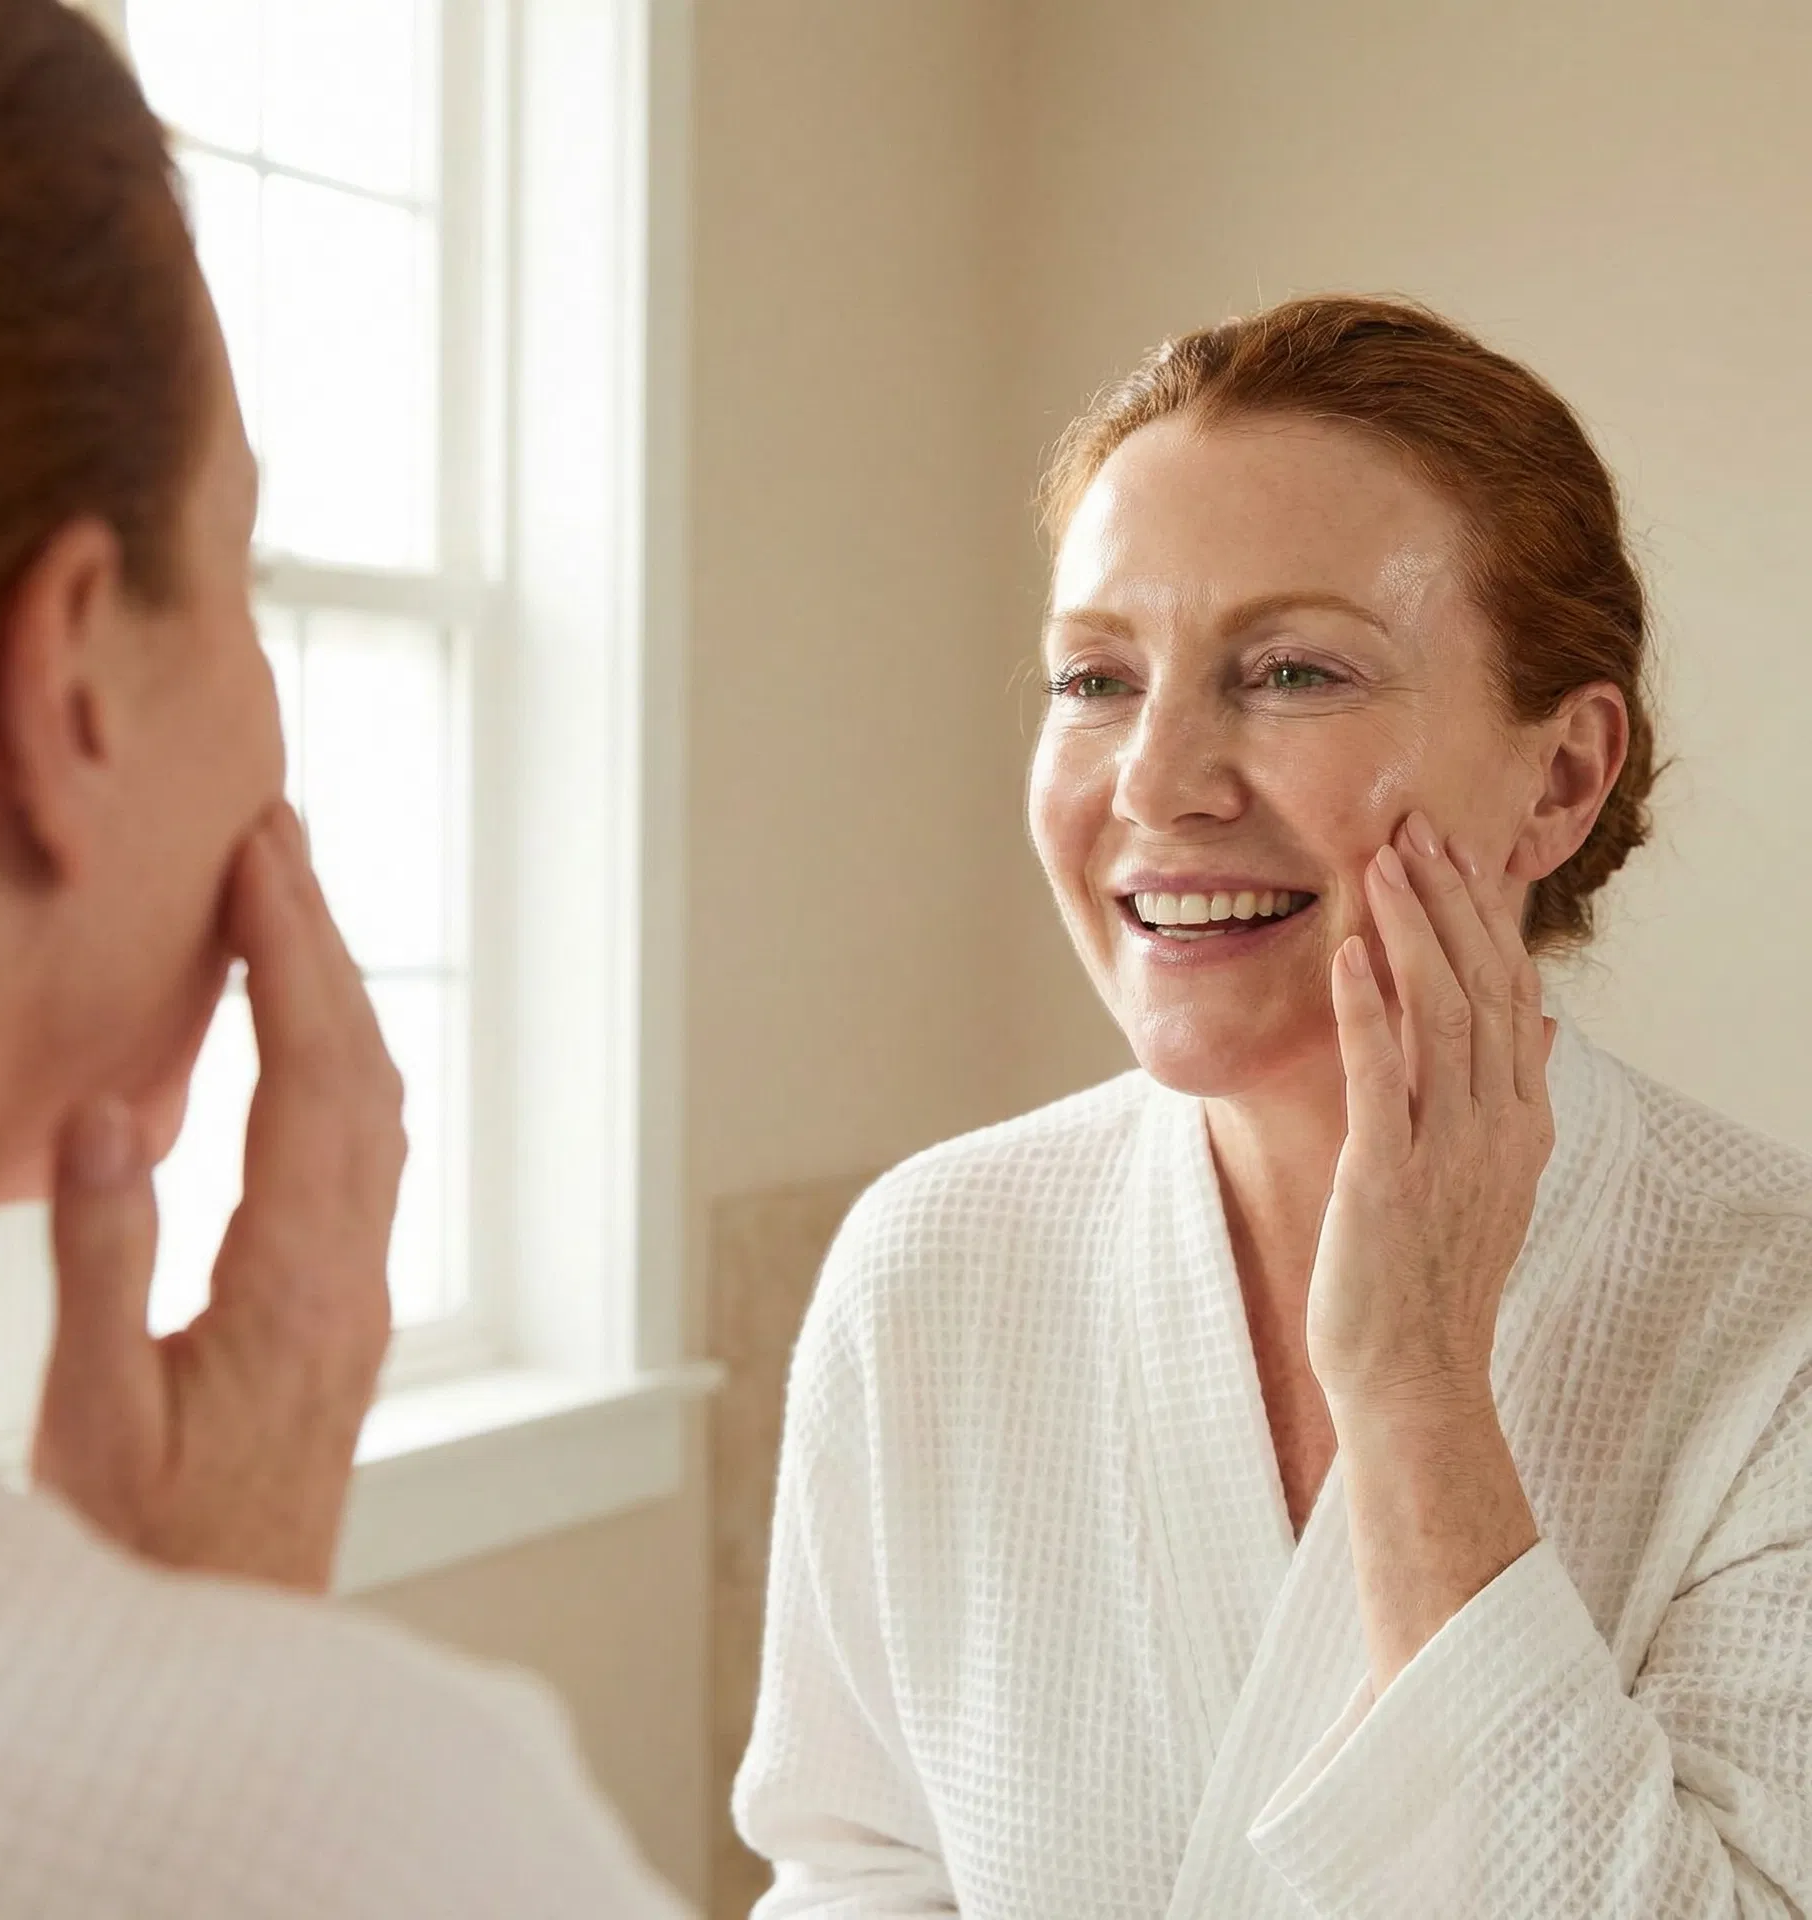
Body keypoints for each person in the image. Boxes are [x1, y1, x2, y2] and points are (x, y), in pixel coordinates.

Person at [735, 297, 1812, 1916]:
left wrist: (1421, 1395)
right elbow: (861, 1874)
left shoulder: (1775, 1318)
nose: (1156, 782)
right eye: (1094, 678)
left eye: (1293, 669)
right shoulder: (934, 1260)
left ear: (1563, 777)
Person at [0, 2, 689, 1913]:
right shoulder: (371, 1826)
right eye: (238, 567)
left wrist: (168, 1630)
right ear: (71, 669)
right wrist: (210, 1670)